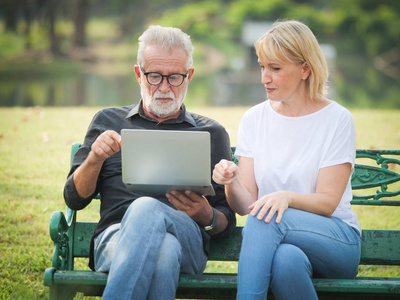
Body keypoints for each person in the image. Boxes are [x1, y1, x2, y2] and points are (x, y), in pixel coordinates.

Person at [64, 25, 236, 300]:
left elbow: (226, 221)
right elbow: (74, 199)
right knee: (163, 252)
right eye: (155, 76)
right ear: (138, 74)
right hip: (116, 238)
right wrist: (95, 158)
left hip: (187, 240)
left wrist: (208, 216)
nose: (164, 87)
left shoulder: (211, 133)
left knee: (146, 208)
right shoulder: (107, 121)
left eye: (175, 77)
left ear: (189, 76)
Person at [212, 20, 361, 300]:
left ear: (305, 69)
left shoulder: (337, 119)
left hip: (337, 241)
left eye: (275, 69)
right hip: (281, 240)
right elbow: (245, 205)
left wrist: (286, 198)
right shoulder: (254, 119)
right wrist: (231, 182)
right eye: (262, 66)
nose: (264, 78)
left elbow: (328, 202)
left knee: (265, 218)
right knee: (284, 261)